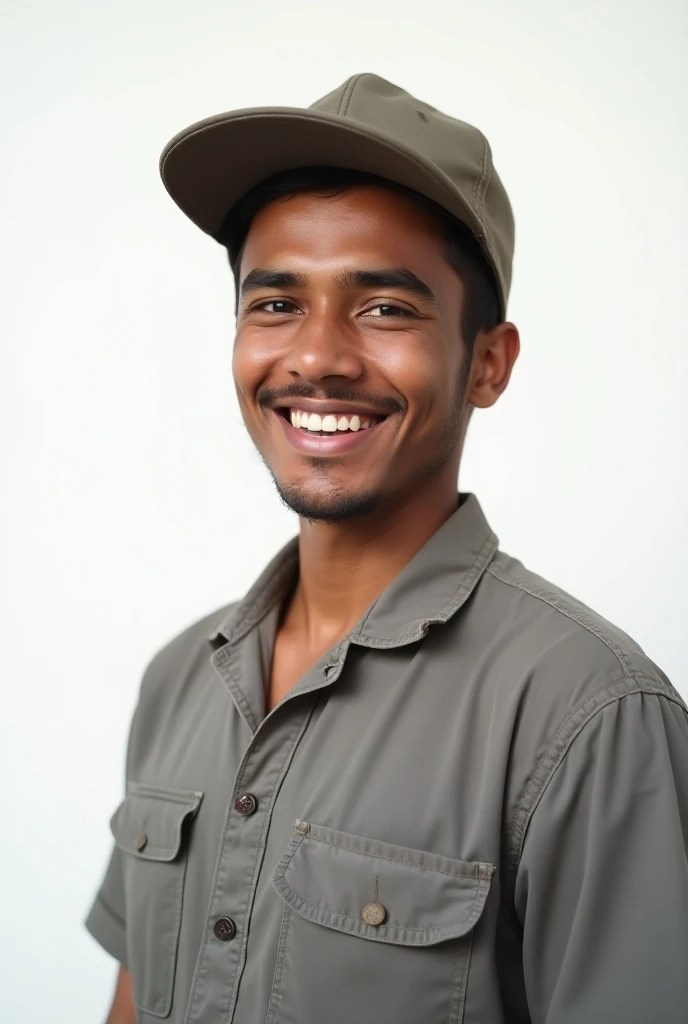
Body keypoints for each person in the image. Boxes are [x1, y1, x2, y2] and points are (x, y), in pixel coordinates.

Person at [86, 73, 688, 1024]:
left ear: (487, 362)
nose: (317, 355)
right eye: (276, 303)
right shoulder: (178, 681)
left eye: (385, 308)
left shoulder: (591, 714)